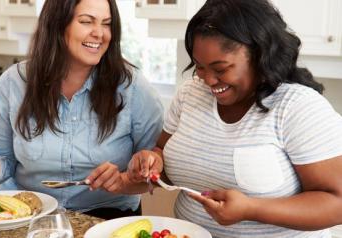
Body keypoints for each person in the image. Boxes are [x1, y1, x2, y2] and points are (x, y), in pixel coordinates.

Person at [127, 0, 342, 237]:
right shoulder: (190, 94)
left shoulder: (297, 107)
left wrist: (251, 209)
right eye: (200, 67)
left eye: (220, 69)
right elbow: (164, 156)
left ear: (261, 55)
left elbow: (337, 202)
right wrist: (151, 161)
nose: (208, 80)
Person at [0, 0, 163, 220]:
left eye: (107, 24)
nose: (100, 33)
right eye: (87, 21)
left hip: (109, 219)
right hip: (30, 216)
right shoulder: (14, 83)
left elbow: (154, 174)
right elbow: (2, 162)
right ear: (57, 24)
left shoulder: (133, 88)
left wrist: (127, 179)